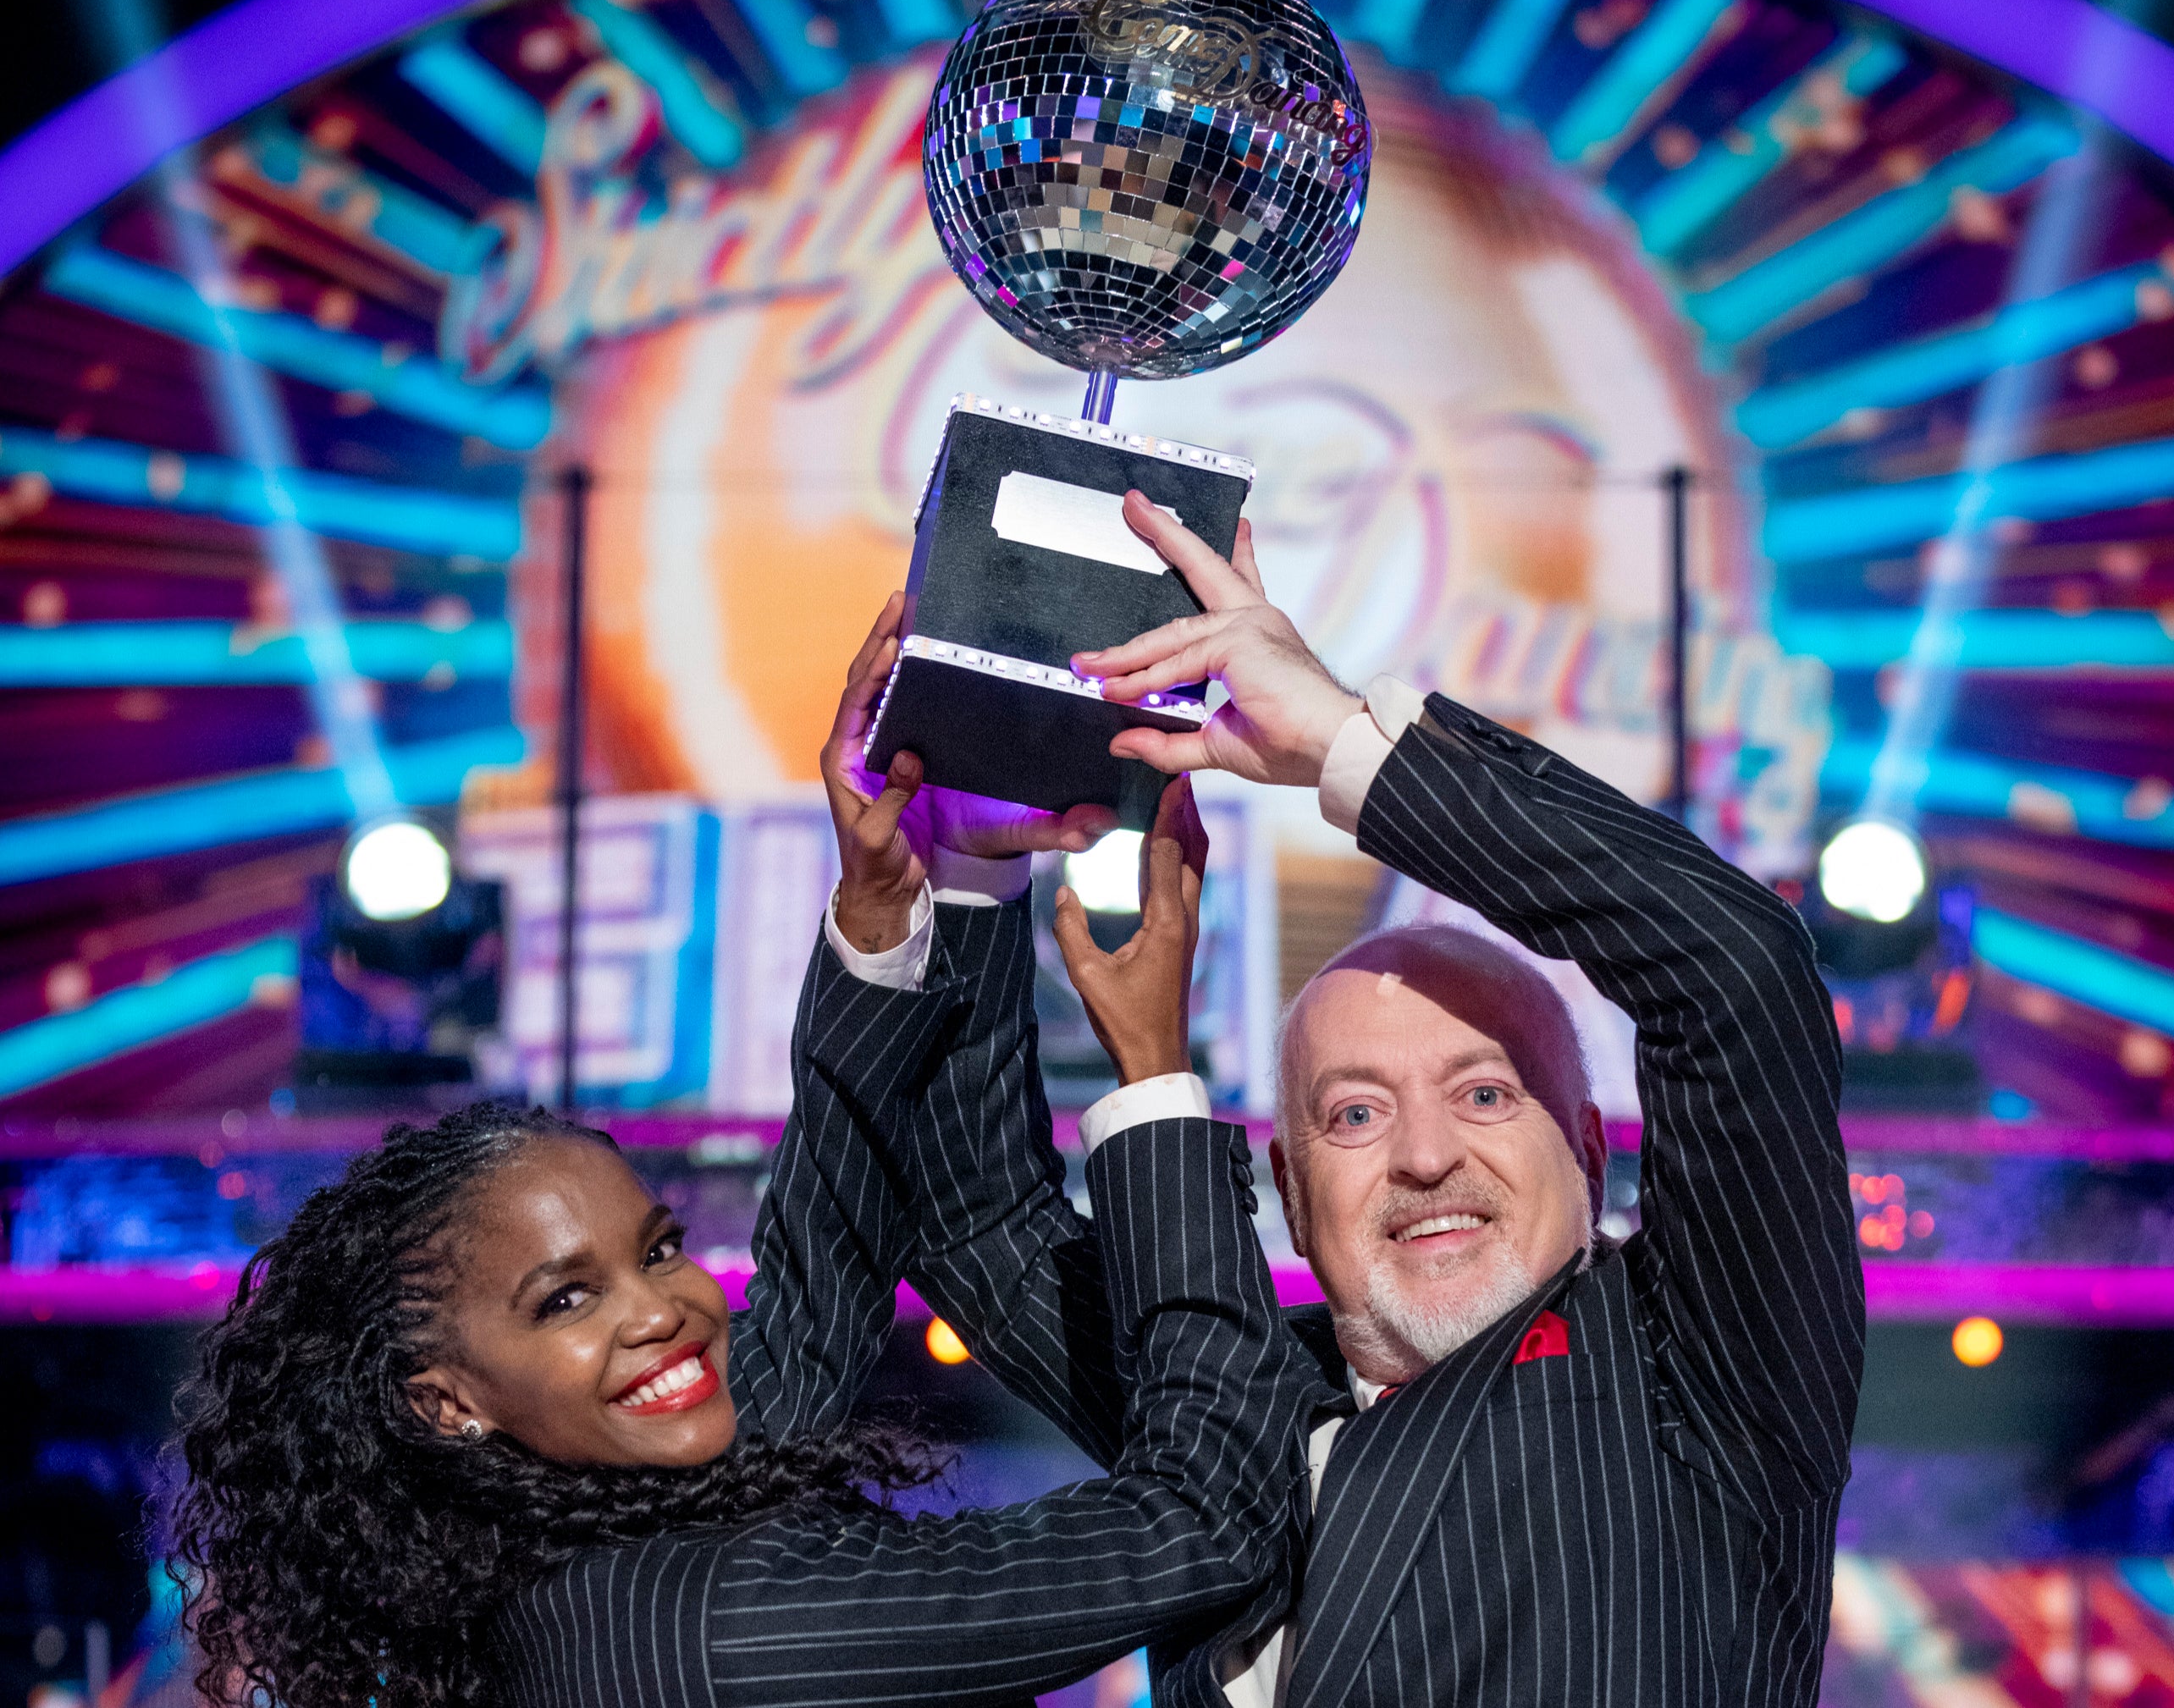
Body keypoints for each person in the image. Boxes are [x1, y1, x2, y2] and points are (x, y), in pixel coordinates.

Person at [165, 609, 1322, 1708]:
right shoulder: (727, 1627)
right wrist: (1158, 1081)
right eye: (566, 1296)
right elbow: (1203, 1516)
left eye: (656, 1249)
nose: (664, 1307)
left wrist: (927, 884)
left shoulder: (590, 1556)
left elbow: (822, 1258)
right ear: (447, 1399)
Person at [823, 493, 1865, 1708]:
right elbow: (975, 1220)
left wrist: (1340, 743)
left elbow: (1735, 968)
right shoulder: (1226, 1414)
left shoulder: (1693, 1374)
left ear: (1586, 1148)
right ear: (1289, 1199)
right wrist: (960, 848)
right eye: (1355, 1114)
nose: (1425, 1155)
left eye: (1484, 1090)